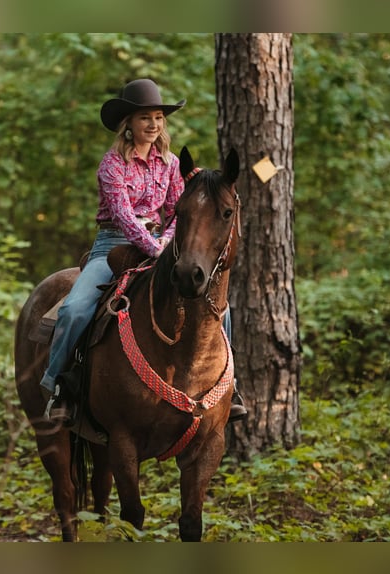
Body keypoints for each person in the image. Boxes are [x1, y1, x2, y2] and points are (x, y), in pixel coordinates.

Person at [39, 78, 246, 424]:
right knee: (74, 309)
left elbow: (178, 209)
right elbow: (122, 214)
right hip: (114, 244)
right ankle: (59, 384)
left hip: (162, 246)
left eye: (158, 118)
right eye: (145, 118)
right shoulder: (112, 165)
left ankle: (231, 384)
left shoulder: (168, 165)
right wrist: (154, 246)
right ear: (129, 124)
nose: (153, 125)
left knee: (220, 308)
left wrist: (167, 241)